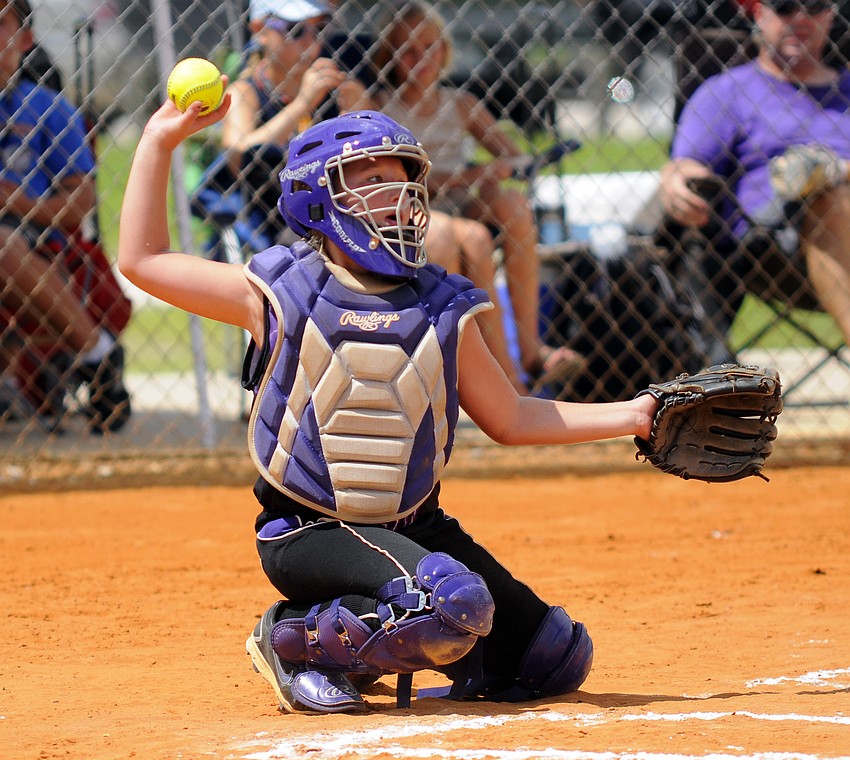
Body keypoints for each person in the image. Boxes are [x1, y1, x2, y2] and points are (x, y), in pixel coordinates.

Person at [117, 90, 658, 713]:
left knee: (553, 656)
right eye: (371, 180)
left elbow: (511, 417)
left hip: (413, 527)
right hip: (311, 529)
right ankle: (293, 640)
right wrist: (159, 141)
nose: (395, 196)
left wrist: (634, 413)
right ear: (318, 197)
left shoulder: (441, 305)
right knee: (449, 604)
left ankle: (386, 623)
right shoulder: (277, 291)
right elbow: (143, 258)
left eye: (401, 181)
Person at [339, 1, 583, 394]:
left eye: (431, 48)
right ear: (390, 56)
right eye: (408, 50)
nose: (421, 60)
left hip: (460, 204)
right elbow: (395, 182)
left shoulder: (460, 104)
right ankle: (504, 378)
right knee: (472, 237)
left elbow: (514, 157)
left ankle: (532, 350)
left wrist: (498, 172)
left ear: (445, 53)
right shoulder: (381, 107)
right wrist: (469, 174)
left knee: (514, 206)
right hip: (409, 209)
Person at [660, 0, 850, 350]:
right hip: (776, 246)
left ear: (831, 14)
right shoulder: (727, 91)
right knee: (832, 199)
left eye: (814, 5)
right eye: (785, 6)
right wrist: (674, 180)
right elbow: (686, 163)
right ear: (759, 13)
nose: (800, 19)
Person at [0, 0, 130, 431]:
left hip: (36, 234)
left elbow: (80, 204)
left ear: (24, 40)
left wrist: (19, 204)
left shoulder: (47, 108)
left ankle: (96, 353)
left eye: (2, 23)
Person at [218, 0, 364, 244]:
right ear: (259, 29)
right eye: (295, 30)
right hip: (272, 227)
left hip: (341, 214)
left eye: (318, 29)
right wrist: (302, 103)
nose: (309, 41)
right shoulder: (246, 91)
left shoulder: (334, 89)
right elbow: (237, 154)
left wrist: (360, 112)